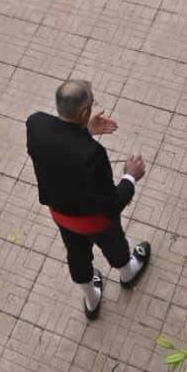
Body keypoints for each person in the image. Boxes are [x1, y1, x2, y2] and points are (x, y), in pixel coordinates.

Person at [26, 79, 150, 320]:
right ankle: (128, 273)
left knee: (77, 256)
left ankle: (91, 300)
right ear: (84, 112)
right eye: (92, 104)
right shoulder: (92, 155)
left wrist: (83, 131)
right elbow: (112, 204)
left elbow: (58, 149)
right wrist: (130, 177)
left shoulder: (35, 123)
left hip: (61, 217)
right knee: (115, 246)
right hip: (95, 221)